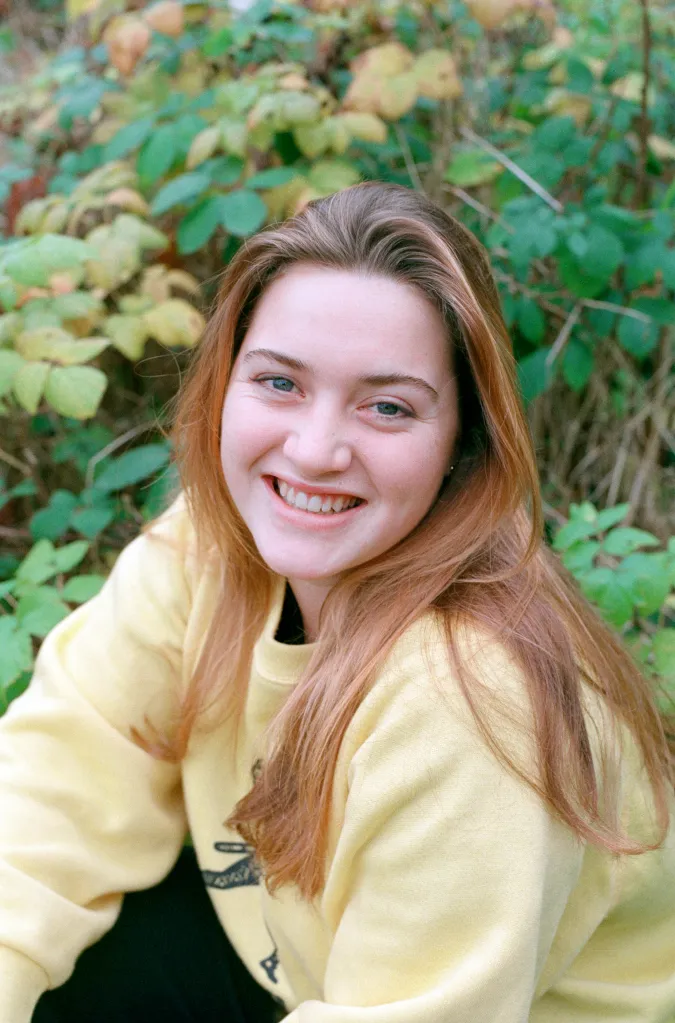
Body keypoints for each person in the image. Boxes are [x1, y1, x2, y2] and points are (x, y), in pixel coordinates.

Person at [1, 181, 674, 1023]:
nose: (315, 450)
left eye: (387, 406)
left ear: (462, 442)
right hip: (297, 966)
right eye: (279, 382)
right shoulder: (210, 548)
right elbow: (52, 793)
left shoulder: (471, 699)